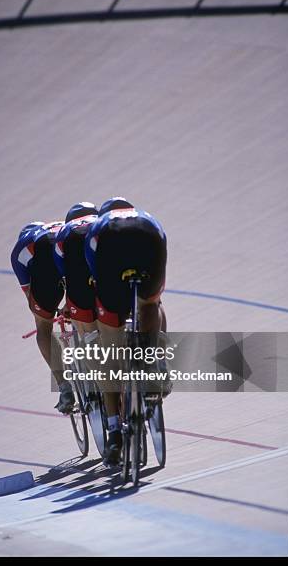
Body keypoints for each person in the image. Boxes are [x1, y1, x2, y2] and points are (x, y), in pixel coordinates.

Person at [85, 197, 168, 465]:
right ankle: (153, 364)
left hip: (109, 248)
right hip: (151, 239)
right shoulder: (146, 213)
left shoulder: (99, 225)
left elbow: (93, 272)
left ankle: (114, 433)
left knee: (110, 354)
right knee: (150, 304)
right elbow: (162, 242)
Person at [10, 219, 74, 413]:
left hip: (45, 261)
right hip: (71, 245)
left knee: (43, 326)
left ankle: (64, 387)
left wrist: (44, 313)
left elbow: (30, 295)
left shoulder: (20, 249)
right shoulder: (59, 224)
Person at [54, 202, 99, 338]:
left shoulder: (65, 230)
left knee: (90, 335)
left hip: (81, 281)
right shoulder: (103, 221)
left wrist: (69, 304)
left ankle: (92, 342)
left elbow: (67, 276)